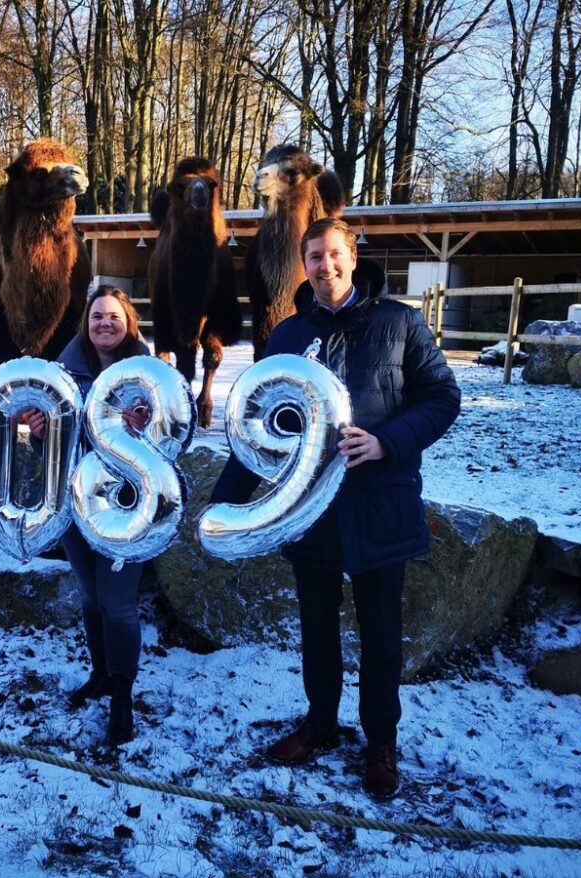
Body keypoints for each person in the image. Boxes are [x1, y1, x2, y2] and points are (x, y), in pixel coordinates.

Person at [206, 217, 460, 798]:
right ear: (306, 264)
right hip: (309, 510)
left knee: (381, 635)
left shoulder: (401, 323)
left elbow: (444, 397)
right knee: (316, 628)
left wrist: (386, 441)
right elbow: (257, 428)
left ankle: (381, 743)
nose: (326, 266)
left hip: (379, 506)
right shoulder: (288, 337)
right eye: (315, 256)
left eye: (334, 254)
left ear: (353, 256)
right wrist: (223, 502)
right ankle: (321, 723)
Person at [20, 285, 151, 745]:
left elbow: (172, 440)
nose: (105, 324)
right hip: (77, 504)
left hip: (130, 507)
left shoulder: (151, 374)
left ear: (129, 322)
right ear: (86, 323)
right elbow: (54, 446)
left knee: (117, 602)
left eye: (114, 316)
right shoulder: (63, 372)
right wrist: (39, 433)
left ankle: (122, 699)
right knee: (92, 596)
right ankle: (100, 674)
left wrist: (145, 427)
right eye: (97, 316)